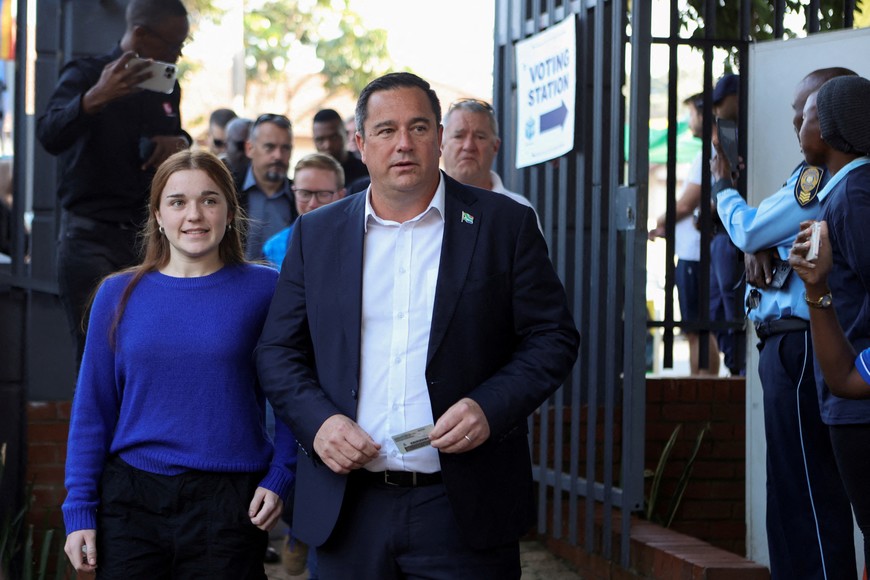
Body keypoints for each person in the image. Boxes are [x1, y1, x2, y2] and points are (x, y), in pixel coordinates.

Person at [256, 72, 579, 578]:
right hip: (348, 507)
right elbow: (277, 352)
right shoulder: (316, 235)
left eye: (419, 128)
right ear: (360, 144)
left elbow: (552, 337)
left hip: (462, 506)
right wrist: (319, 422)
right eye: (386, 130)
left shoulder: (503, 225)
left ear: (439, 138)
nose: (403, 144)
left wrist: (489, 407)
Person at [61, 150, 295, 578]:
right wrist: (79, 508)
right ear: (157, 214)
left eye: (209, 200)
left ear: (229, 210)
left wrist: (280, 475)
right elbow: (92, 408)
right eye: (177, 202)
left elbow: (292, 397)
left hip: (228, 503)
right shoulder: (117, 294)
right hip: (131, 502)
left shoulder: (265, 289)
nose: (195, 215)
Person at [711, 68, 857, 579]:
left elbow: (750, 230)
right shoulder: (824, 180)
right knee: (790, 491)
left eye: (806, 117)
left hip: (803, 344)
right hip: (791, 343)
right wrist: (759, 247)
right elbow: (763, 242)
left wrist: (721, 189)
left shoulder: (829, 179)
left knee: (808, 493)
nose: (797, 129)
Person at [36, 0, 191, 365]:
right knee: (95, 357)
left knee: (146, 355)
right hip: (91, 237)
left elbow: (176, 143)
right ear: (139, 35)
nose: (177, 54)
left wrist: (179, 143)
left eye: (182, 46)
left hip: (147, 239)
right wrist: (94, 98)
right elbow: (48, 134)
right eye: (171, 45)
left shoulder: (166, 86)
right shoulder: (86, 74)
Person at [788, 74, 870, 566]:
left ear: (834, 129)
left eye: (811, 113)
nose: (800, 122)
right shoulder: (844, 191)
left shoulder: (855, 194)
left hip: (861, 402)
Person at [649, 93, 720, 376]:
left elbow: (685, 204)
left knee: (697, 329)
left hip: (694, 254)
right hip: (695, 250)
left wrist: (660, 219)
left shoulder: (708, 155)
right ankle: (705, 382)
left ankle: (702, 383)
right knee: (700, 327)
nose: (690, 121)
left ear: (704, 115)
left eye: (691, 113)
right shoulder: (713, 152)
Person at [441, 97, 542, 232]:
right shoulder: (422, 208)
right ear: (441, 144)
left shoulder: (519, 210)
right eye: (459, 136)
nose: (469, 146)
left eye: (480, 137)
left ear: (495, 147)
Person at [709, 73, 745, 375]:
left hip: (738, 231)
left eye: (722, 101)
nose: (717, 109)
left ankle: (740, 367)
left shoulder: (741, 133)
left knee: (734, 309)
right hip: (723, 233)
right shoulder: (724, 134)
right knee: (720, 309)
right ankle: (735, 366)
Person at [263, 153, 346, 270]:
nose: (313, 204)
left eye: (323, 194)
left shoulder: (357, 243)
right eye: (305, 194)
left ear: (341, 195)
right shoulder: (273, 248)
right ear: (294, 192)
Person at [235, 113, 297, 260]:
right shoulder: (229, 190)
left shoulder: (300, 196)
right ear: (249, 148)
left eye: (285, 148)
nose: (278, 156)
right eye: (270, 147)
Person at [312, 108, 369, 189]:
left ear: (345, 135)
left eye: (334, 137)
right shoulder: (310, 175)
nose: (328, 145)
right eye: (320, 140)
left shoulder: (366, 171)